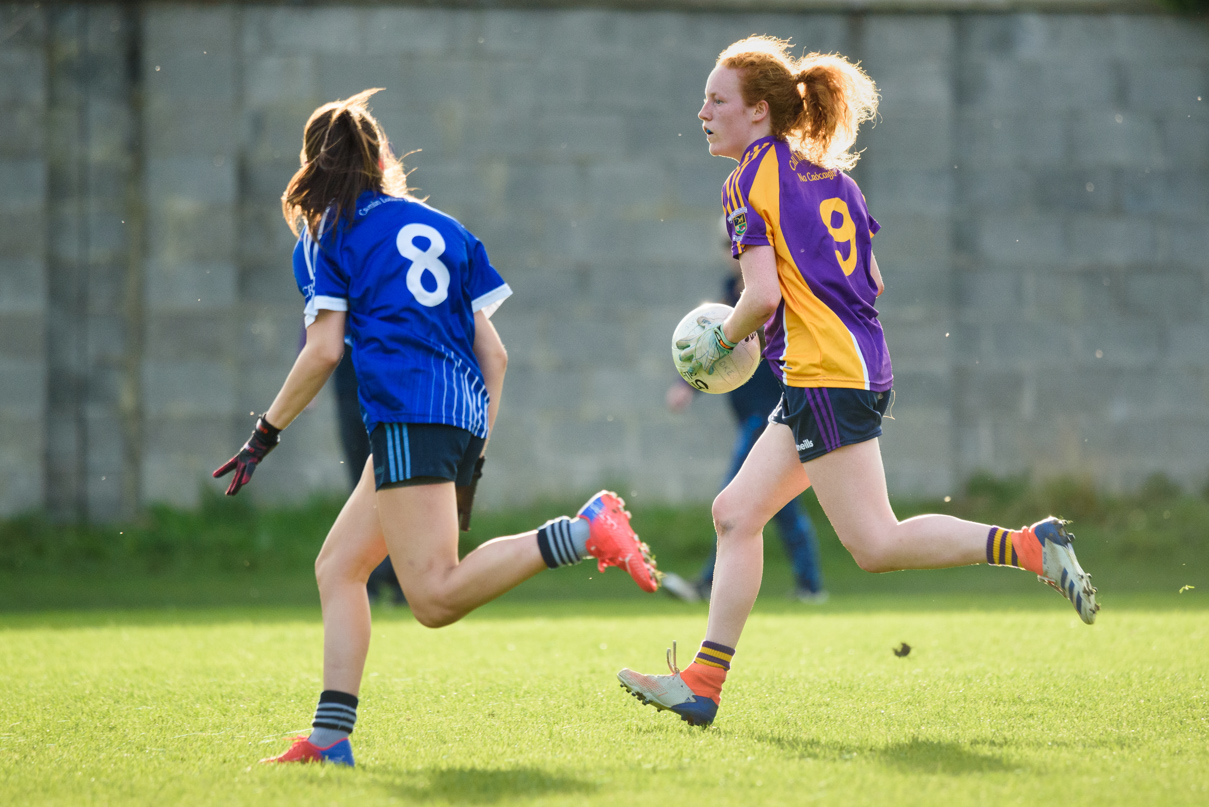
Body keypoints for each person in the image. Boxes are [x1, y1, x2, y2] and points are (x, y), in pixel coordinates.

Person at [617, 37, 1098, 729]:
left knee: (874, 543)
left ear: (757, 113)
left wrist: (717, 348)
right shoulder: (832, 177)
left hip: (822, 375)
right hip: (849, 368)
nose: (702, 112)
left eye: (716, 100)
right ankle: (702, 682)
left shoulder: (747, 180)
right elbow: (871, 281)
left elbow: (757, 298)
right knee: (735, 512)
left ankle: (1029, 545)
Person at [213, 89, 660, 767]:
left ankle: (579, 531)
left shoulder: (322, 234)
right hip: (454, 411)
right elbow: (496, 355)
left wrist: (263, 435)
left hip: (404, 413)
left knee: (432, 597)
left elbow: (324, 350)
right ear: (379, 156)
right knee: (340, 566)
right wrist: (472, 453)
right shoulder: (444, 228)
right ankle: (330, 738)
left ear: (312, 164)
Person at [662, 228, 826, 603]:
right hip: (750, 413)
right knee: (780, 506)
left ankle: (706, 583)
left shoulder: (773, 291)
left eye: (737, 242)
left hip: (772, 413)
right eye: (725, 244)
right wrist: (684, 385)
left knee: (732, 500)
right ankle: (812, 586)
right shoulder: (727, 294)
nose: (733, 251)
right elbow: (708, 347)